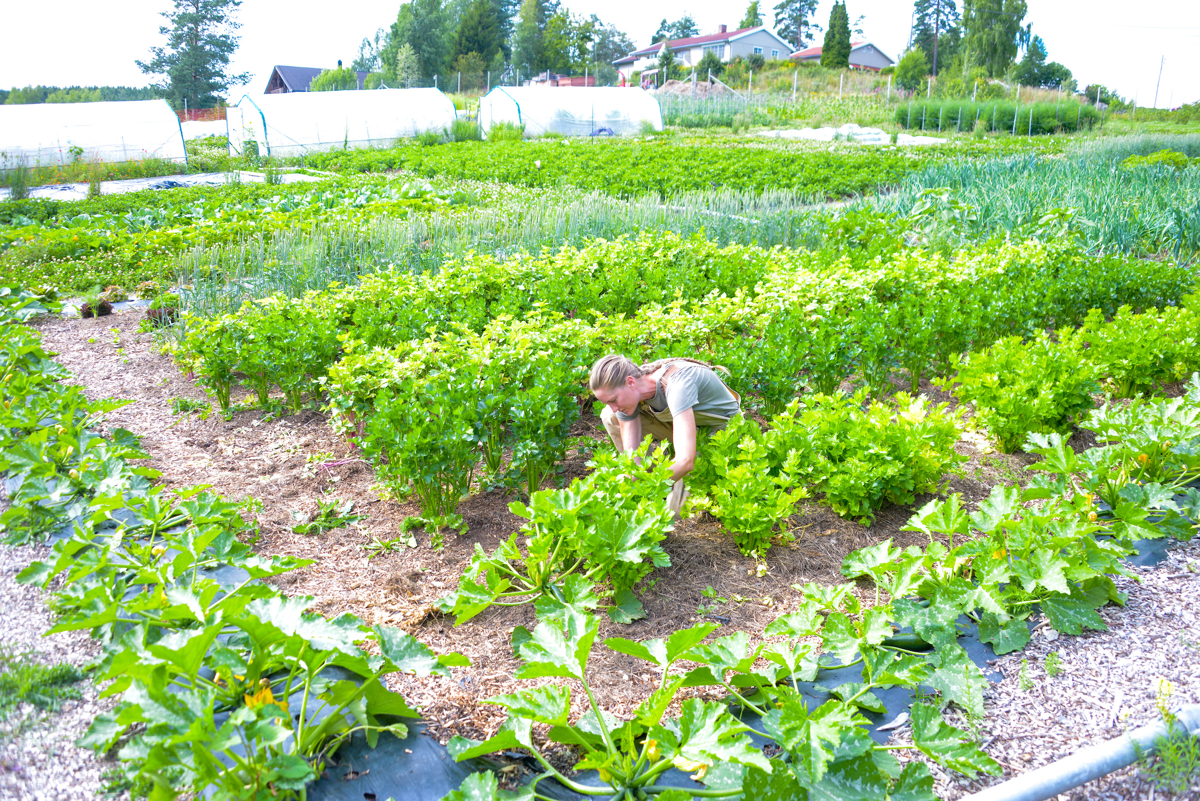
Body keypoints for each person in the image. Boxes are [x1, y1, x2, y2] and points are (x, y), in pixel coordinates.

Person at [588, 354, 741, 515]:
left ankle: (670, 481)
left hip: (720, 433)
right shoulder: (633, 394)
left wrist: (649, 489)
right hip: (685, 425)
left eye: (613, 400)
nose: (613, 407)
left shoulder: (678, 384)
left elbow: (686, 461)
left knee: (677, 510)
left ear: (631, 382)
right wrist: (615, 493)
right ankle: (665, 479)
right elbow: (634, 463)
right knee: (610, 416)